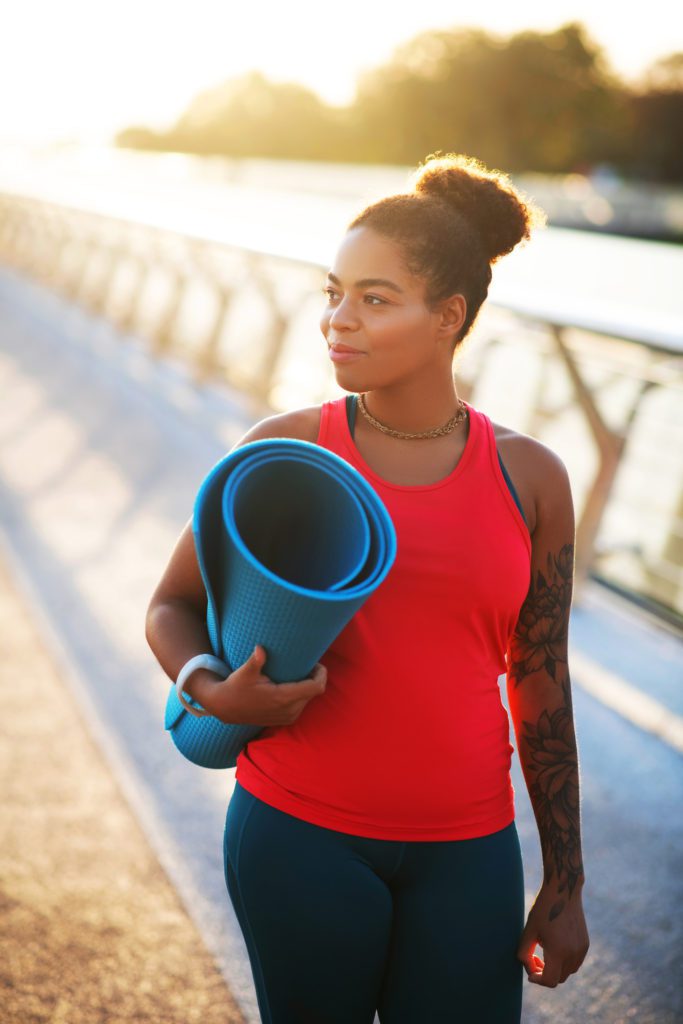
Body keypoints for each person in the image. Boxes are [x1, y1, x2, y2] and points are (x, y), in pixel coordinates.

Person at [145, 152, 589, 1023]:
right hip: (298, 833)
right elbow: (171, 603)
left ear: (447, 317)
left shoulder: (530, 478)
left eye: (373, 299)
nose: (336, 322)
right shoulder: (284, 449)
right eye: (332, 293)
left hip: (470, 846)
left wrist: (566, 881)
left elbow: (540, 679)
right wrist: (208, 686)